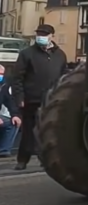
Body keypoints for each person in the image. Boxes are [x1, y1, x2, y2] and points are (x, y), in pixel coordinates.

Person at [10, 24, 68, 170]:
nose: (41, 36)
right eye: (39, 34)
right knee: (28, 132)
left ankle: (46, 160)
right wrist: (20, 97)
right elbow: (17, 78)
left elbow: (64, 76)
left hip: (51, 100)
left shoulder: (60, 55)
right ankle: (23, 159)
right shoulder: (27, 54)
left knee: (49, 132)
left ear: (51, 36)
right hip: (31, 99)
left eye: (44, 34)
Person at [0, 65, 21, 157]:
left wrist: (15, 115)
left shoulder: (3, 86)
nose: (1, 75)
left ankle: (4, 150)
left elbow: (9, 100)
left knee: (13, 122)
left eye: (2, 74)